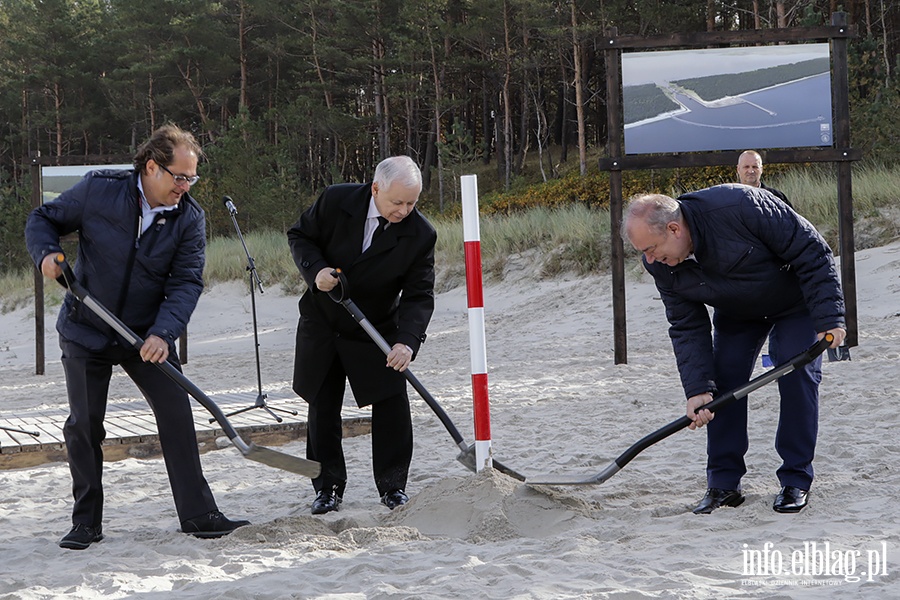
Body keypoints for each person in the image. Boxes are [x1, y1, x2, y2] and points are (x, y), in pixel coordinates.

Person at [25, 124, 250, 550]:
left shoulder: (189, 218)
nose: (185, 186)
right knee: (85, 424)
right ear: (152, 167)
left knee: (177, 415)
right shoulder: (99, 191)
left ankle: (199, 515)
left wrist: (164, 333)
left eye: (191, 178)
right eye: (179, 176)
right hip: (86, 326)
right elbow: (43, 218)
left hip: (144, 335)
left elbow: (186, 283)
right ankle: (86, 522)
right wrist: (47, 255)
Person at [621, 185, 845, 515]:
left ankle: (795, 480)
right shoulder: (660, 264)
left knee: (794, 371)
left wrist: (830, 317)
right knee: (722, 384)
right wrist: (697, 389)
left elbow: (811, 250)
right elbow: (686, 325)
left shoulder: (740, 205)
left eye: (652, 249)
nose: (649, 260)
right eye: (644, 252)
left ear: (674, 229)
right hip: (738, 311)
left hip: (795, 302)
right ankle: (724, 485)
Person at [288, 155, 436, 515]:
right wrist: (316, 271)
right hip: (323, 321)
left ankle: (393, 486)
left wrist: (407, 342)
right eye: (396, 202)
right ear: (375, 189)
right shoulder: (337, 200)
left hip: (376, 328)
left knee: (392, 405)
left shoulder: (421, 234)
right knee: (322, 406)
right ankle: (327, 488)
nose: (403, 210)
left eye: (411, 203)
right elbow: (301, 235)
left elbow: (419, 295)